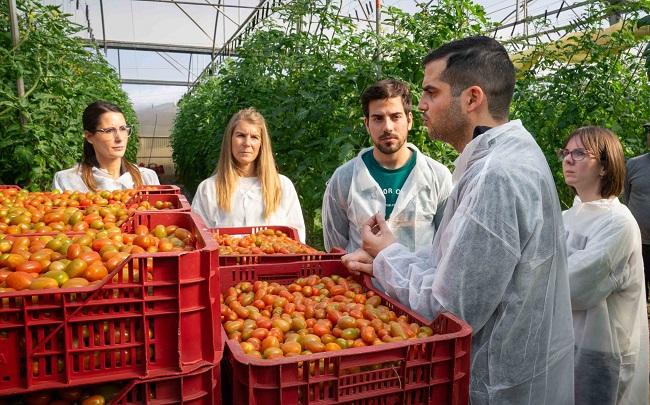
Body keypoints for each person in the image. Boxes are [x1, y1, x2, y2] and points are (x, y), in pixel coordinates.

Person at [342, 36, 574, 404]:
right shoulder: (510, 155)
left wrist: (387, 258)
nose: (421, 105)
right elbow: (457, 267)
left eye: (431, 92)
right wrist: (388, 254)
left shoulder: (496, 176)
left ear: (471, 98)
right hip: (522, 371)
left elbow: (452, 308)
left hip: (498, 383)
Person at [560, 126, 649, 405]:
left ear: (604, 166)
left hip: (601, 352)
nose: (567, 159)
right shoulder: (564, 217)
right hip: (566, 344)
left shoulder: (618, 222)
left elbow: (576, 285)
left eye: (578, 153)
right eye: (565, 152)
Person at [321, 79, 452, 253]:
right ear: (367, 124)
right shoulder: (344, 178)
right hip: (359, 281)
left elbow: (448, 244)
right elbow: (336, 250)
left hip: (420, 280)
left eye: (395, 117)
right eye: (378, 118)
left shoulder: (437, 176)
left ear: (409, 120)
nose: (387, 127)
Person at [191, 108, 306, 242]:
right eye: (240, 135)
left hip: (273, 263)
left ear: (262, 144)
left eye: (254, 137)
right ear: (230, 140)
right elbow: (199, 240)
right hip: (225, 263)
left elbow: (297, 238)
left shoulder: (282, 186)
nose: (247, 143)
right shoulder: (209, 188)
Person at [52, 101, 160, 192]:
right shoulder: (67, 180)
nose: (119, 138)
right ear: (89, 136)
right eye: (109, 131)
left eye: (123, 129)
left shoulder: (147, 178)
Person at [624, 122, 650, 301]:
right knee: (637, 293)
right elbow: (626, 198)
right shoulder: (633, 165)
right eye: (649, 132)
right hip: (638, 242)